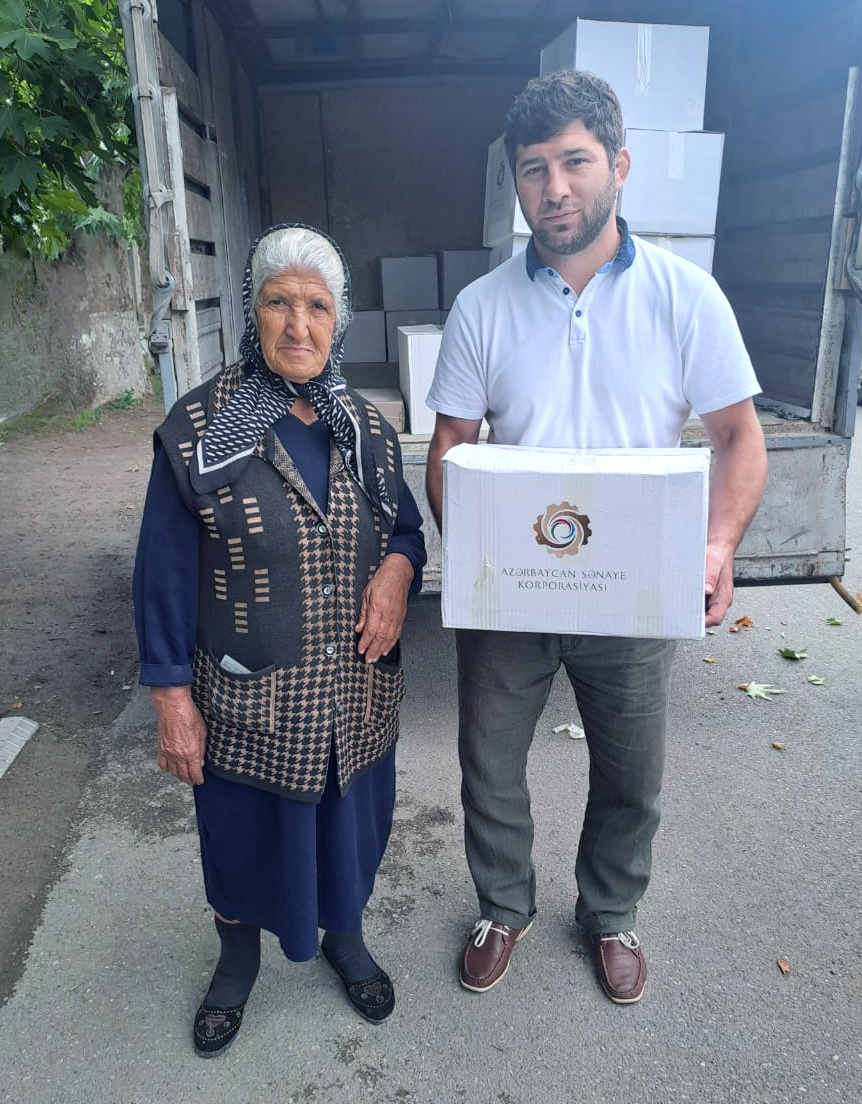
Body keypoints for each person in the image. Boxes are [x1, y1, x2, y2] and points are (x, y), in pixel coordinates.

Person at [426, 71, 767, 1005]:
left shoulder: (685, 297)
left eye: (575, 162)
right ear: (516, 182)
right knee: (490, 764)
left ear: (618, 165)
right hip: (513, 591)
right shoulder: (482, 307)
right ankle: (504, 905)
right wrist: (481, 554)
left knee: (631, 771)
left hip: (634, 588)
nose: (556, 188)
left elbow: (739, 438)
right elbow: (451, 444)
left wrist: (715, 546)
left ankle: (611, 912)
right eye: (534, 169)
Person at [134, 223, 426, 1056]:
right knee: (243, 838)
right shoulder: (200, 428)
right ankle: (237, 964)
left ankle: (346, 939)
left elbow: (407, 530)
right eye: (278, 303)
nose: (299, 325)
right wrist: (171, 697)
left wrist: (398, 571)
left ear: (341, 320)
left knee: (351, 829)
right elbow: (162, 572)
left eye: (318, 307)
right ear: (250, 313)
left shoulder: (365, 426)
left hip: (354, 694)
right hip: (250, 697)